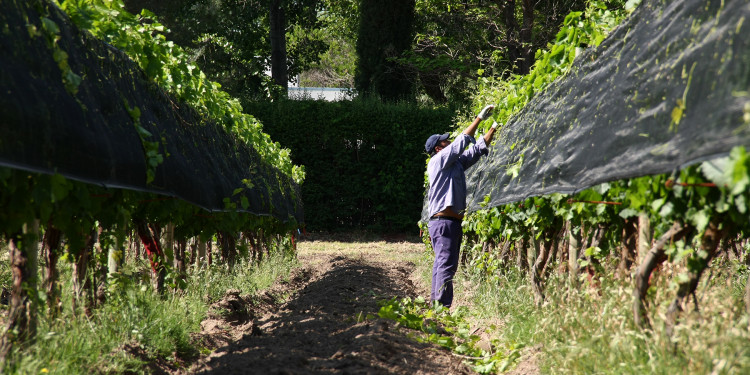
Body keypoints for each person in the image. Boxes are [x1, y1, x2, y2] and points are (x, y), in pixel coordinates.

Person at [424, 104, 498, 308]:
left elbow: (475, 149)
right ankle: (441, 307)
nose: (448, 140)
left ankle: (437, 306)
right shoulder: (438, 161)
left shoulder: (453, 164)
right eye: (444, 140)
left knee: (444, 265)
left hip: (450, 223)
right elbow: (461, 142)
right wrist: (479, 118)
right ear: (438, 148)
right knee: (446, 265)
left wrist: (494, 127)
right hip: (444, 223)